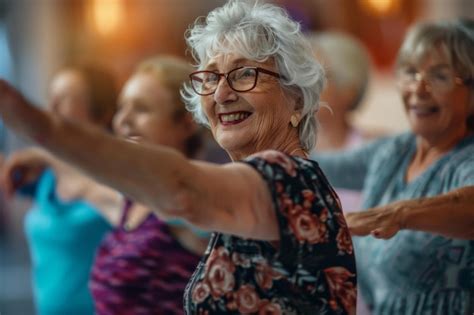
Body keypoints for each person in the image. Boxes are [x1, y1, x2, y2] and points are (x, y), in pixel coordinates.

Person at [0, 1, 357, 314]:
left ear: (296, 99)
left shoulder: (291, 180)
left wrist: (38, 124)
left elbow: (181, 189)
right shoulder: (263, 187)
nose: (221, 92)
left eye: (246, 74)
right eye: (210, 77)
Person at [312, 18, 474, 314]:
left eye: (439, 76)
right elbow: (318, 166)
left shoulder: (467, 158)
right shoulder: (394, 150)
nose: (418, 88)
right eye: (411, 72)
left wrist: (397, 214)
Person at [89, 55, 210, 315]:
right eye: (122, 107)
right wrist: (44, 158)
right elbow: (84, 181)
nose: (122, 121)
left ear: (187, 124)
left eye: (141, 109)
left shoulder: (191, 197)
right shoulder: (135, 198)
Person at [1, 64, 117, 315]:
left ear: (102, 113)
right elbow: (6, 174)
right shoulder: (46, 174)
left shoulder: (118, 174)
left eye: (64, 97)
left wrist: (47, 155)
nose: (51, 107)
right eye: (51, 95)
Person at [307, 31, 378, 214]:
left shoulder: (376, 148)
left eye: (318, 76)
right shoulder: (286, 150)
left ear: (349, 89)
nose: (306, 85)